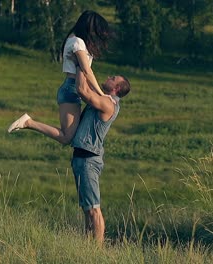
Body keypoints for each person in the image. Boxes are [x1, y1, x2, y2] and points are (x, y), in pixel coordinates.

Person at [8, 10, 113, 144]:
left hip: (73, 88)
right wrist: (101, 94)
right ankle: (28, 122)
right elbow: (87, 71)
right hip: (72, 89)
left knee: (70, 136)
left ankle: (28, 122)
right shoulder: (77, 42)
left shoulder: (77, 40)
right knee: (66, 137)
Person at [71, 69, 131, 244]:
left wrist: (82, 62)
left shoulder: (109, 104)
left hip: (88, 160)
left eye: (112, 78)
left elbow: (83, 91)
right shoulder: (104, 99)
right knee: (87, 209)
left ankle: (97, 252)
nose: (108, 77)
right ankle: (87, 246)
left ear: (116, 88)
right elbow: (88, 88)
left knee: (94, 209)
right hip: (81, 157)